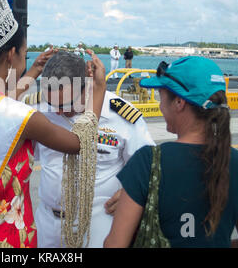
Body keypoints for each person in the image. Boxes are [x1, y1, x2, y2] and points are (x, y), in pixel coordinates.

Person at [0, 0, 107, 248]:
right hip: (9, 240)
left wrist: (32, 71)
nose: (26, 57)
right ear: (12, 55)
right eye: (24, 52)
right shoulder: (23, 117)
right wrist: (99, 90)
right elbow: (80, 143)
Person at [104, 56, 238, 248]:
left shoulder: (149, 162)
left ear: (179, 102)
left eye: (161, 96)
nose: (159, 105)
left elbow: (115, 245)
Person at [23, 51, 155, 248]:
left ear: (87, 85)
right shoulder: (37, 108)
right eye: (52, 103)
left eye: (65, 104)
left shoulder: (119, 115)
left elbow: (150, 164)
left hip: (99, 221)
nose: (58, 111)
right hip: (47, 223)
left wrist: (134, 191)